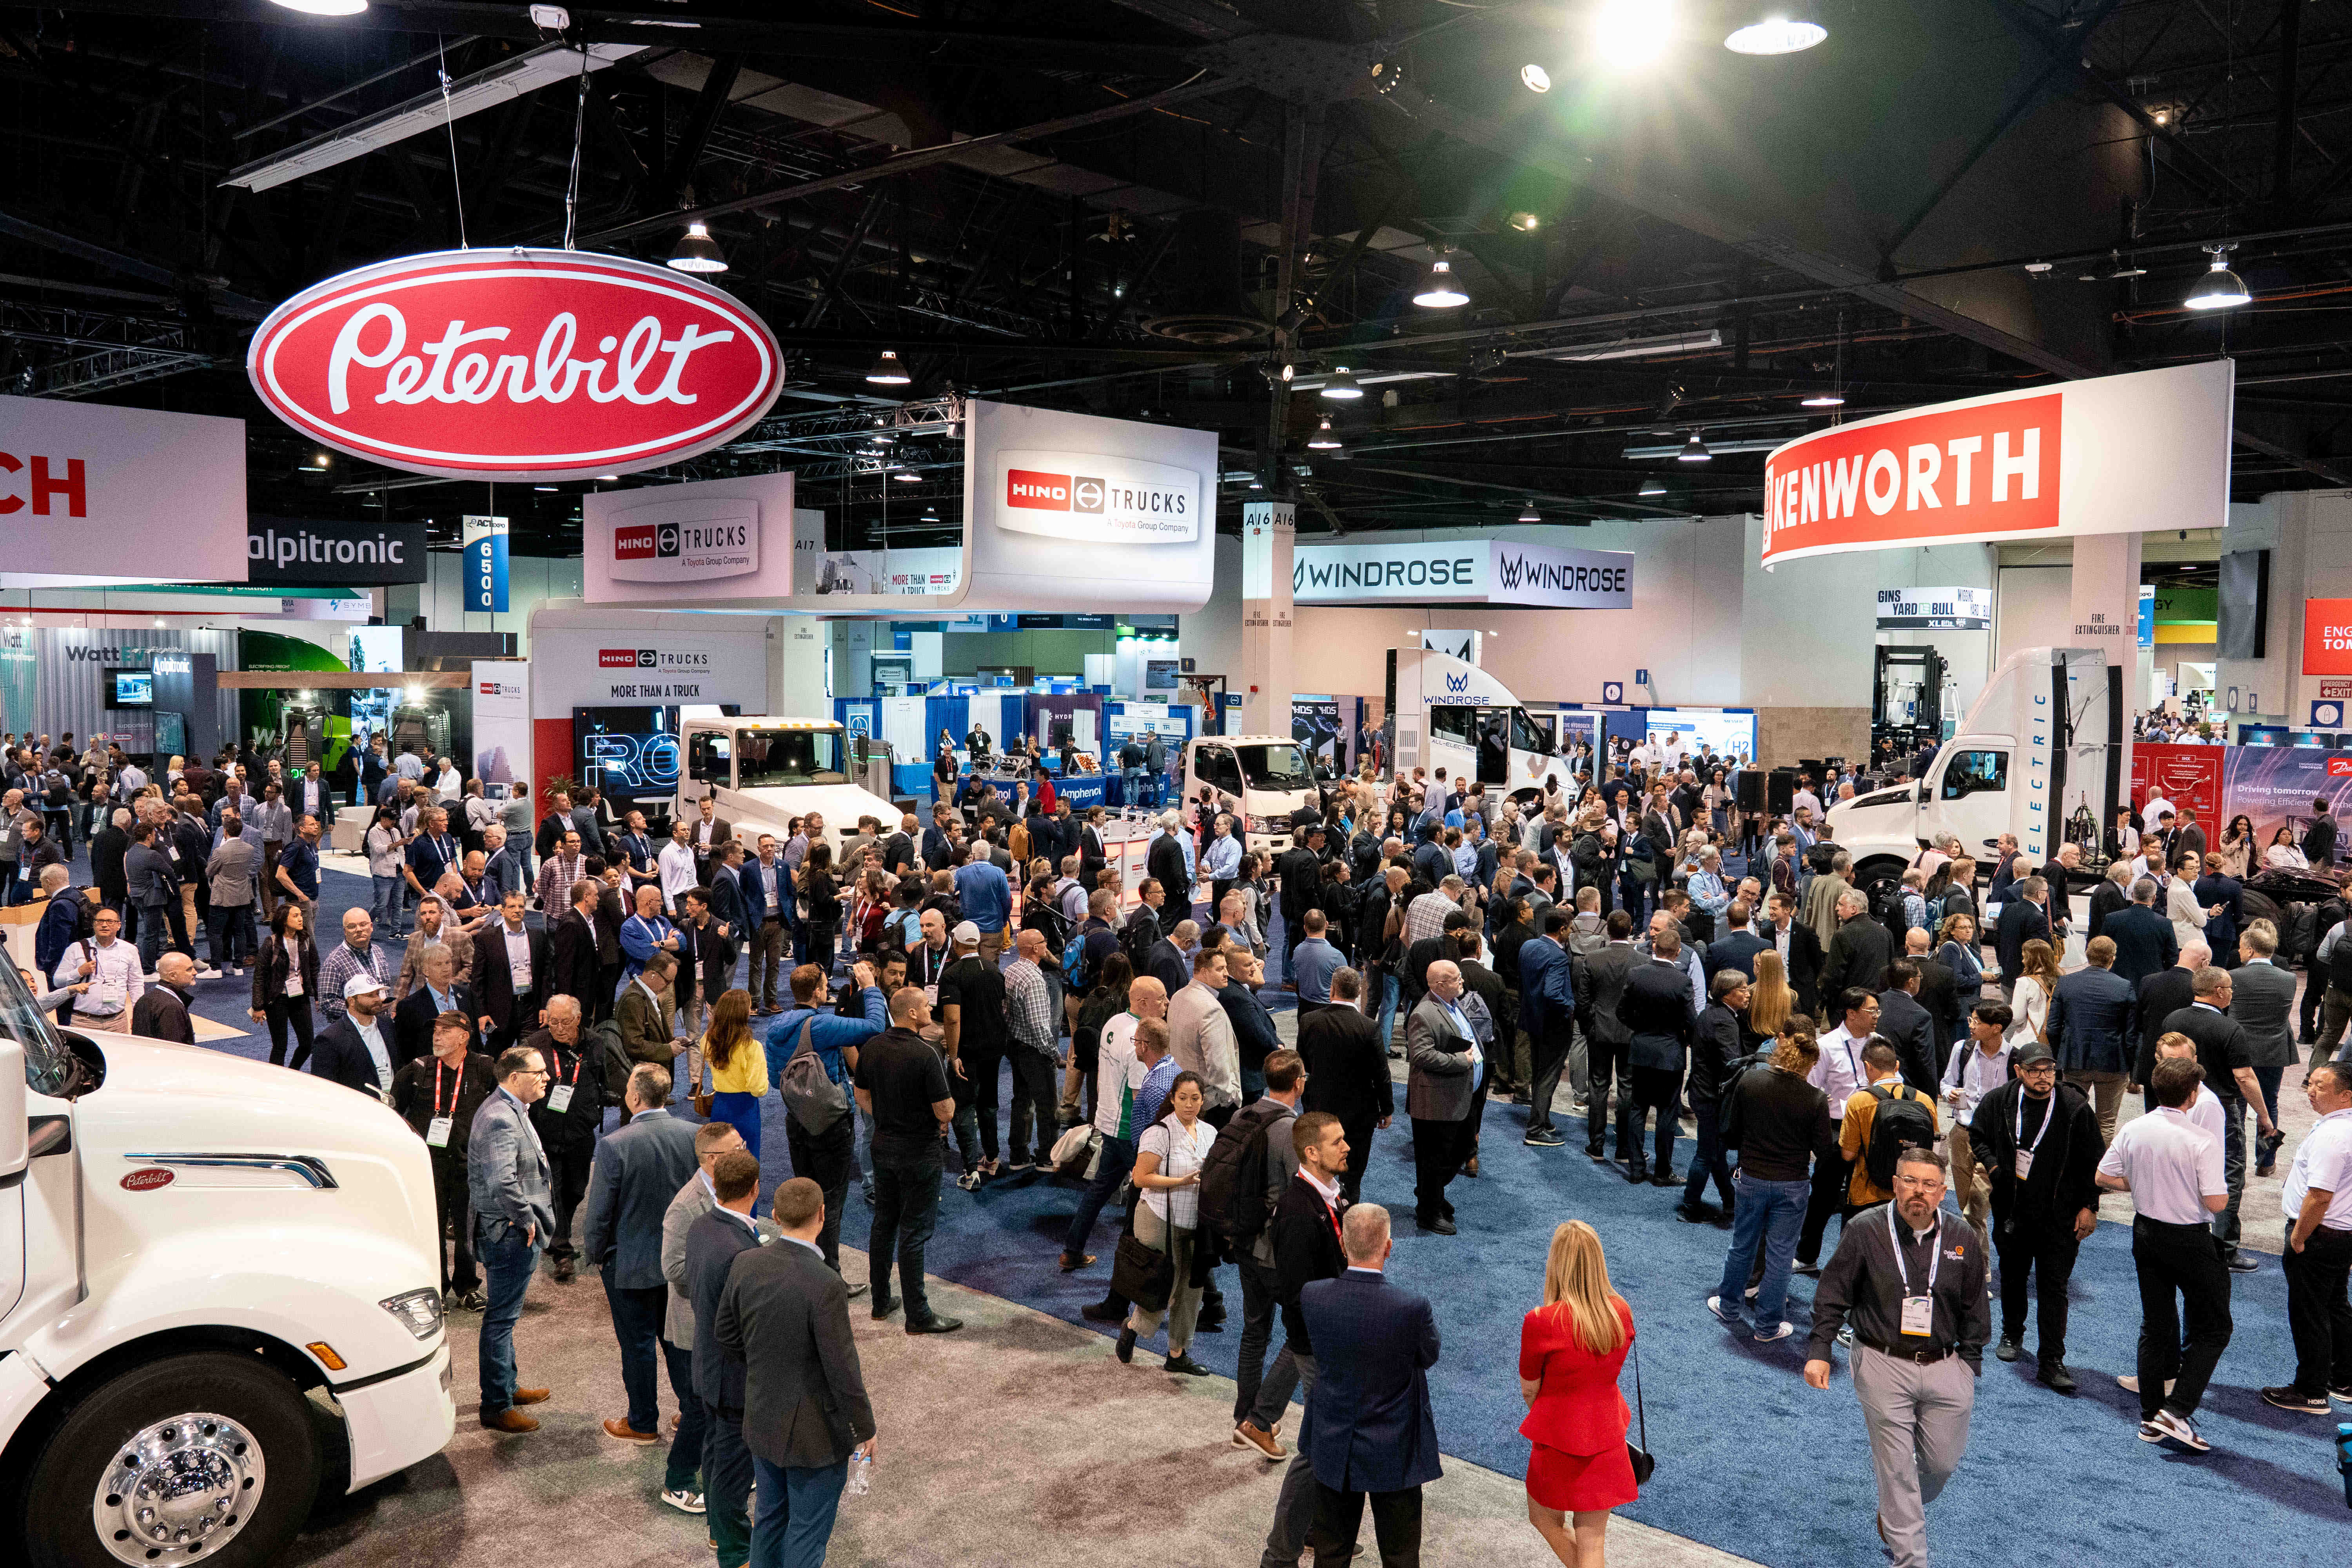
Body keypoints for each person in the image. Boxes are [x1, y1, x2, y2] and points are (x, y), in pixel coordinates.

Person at [1804, 1147, 1989, 1568]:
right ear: (1895, 1183)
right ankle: (1911, 1559)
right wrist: (1820, 1351)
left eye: (1928, 1184)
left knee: (1941, 1463)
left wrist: (1969, 1365)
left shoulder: (1962, 1237)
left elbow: (1976, 1306)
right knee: (1897, 1467)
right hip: (1880, 1358)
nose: (1917, 1192)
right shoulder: (1864, 1229)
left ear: (1942, 1191)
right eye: (1909, 1181)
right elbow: (1832, 1293)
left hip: (1946, 1364)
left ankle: (1895, 1508)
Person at [715, 1174, 877, 1568]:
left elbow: (725, 1333)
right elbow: (842, 1369)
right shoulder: (825, 1283)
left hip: (762, 1417)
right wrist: (865, 1429)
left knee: (769, 1520)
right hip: (815, 1436)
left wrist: (766, 1365)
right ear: (822, 1215)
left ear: (774, 1215)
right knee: (807, 1532)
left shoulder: (746, 1263)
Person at [2097, 1056, 2233, 1452]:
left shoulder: (2135, 1127)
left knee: (2156, 1325)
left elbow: (2103, 1175)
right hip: (2190, 1239)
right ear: (2193, 1095)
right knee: (2215, 1327)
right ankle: (2176, 1411)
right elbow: (2218, 1201)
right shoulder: (2201, 1140)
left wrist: (2143, 1185)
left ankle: (2151, 1419)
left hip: (2146, 1233)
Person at [1299, 1203, 1442, 1568]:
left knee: (1330, 1554)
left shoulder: (1313, 1296)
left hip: (1333, 1441)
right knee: (1400, 1556)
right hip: (1395, 1447)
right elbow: (1428, 1356)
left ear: (1343, 1246)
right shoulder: (1412, 1306)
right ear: (1389, 1247)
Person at [1971, 1040, 2103, 1393]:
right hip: (2013, 1212)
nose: (2044, 1077)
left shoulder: (2075, 1107)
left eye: (2049, 1071)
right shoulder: (1999, 1101)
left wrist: (2090, 1206)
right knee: (2012, 1278)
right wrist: (1996, 1166)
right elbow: (1977, 1135)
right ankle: (2012, 1334)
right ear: (2019, 1071)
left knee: (2054, 1287)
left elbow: (2094, 1160)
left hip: (2060, 1216)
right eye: (2035, 1071)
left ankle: (2052, 1359)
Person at [582, 1063, 702, 1449]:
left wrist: (596, 1255)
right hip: (681, 1263)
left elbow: (598, 1213)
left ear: (635, 1097)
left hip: (629, 1265)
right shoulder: (694, 1135)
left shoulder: (615, 1144)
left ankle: (643, 1424)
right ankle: (694, 1413)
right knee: (681, 1342)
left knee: (637, 1347)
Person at [1254, 1111, 1353, 1565]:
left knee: (1326, 1446)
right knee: (1315, 1452)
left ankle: (1316, 1530)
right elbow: (1295, 1295)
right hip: (1318, 1348)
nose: (1347, 1146)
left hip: (1328, 1343)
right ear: (1312, 1153)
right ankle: (1281, 1554)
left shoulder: (1331, 1197)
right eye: (1337, 1142)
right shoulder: (1298, 1212)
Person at [1519, 1221, 1638, 1568]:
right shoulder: (1620, 1312)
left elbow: (1530, 1387)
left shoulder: (1541, 1320)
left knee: (1543, 1519)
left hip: (1556, 1436)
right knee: (1592, 1543)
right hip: (1607, 1432)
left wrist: (1545, 1414)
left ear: (1556, 1263)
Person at [853, 985, 962, 1334]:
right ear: (912, 1014)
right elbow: (945, 1112)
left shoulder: (871, 1048)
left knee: (884, 1222)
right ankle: (919, 1315)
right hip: (919, 1152)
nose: (931, 1009)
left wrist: (887, 1117)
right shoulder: (926, 1054)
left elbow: (861, 1094)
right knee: (914, 1232)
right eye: (926, 1006)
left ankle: (881, 1302)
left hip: (883, 1148)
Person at [766, 960, 886, 1277]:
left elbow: (772, 1077)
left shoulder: (775, 1027)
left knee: (806, 1197)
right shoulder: (822, 1024)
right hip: (830, 1124)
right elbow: (876, 1026)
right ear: (819, 991)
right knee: (830, 1204)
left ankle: (805, 1269)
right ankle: (830, 1275)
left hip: (796, 1120)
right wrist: (871, 986)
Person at [2163, 965, 2277, 1272]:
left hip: (2177, 1105)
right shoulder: (2230, 1029)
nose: (2232, 993)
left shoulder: (2174, 1020)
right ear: (2219, 992)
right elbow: (2244, 1077)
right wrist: (2264, 1117)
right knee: (2228, 1175)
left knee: (2179, 1168)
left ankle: (2181, 1239)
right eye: (2230, 988)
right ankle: (2225, 1251)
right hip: (2223, 1109)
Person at [682, 1147, 765, 1568]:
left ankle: (718, 1535)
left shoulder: (700, 1227)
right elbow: (743, 1328)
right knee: (732, 1474)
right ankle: (736, 1555)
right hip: (733, 1379)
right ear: (755, 1188)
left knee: (715, 1459)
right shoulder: (741, 1251)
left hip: (707, 1368)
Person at [468, 1042, 556, 1432]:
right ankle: (497, 1406)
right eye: (540, 1073)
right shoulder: (500, 1118)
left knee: (506, 1314)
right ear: (515, 1077)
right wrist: (526, 1218)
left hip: (508, 1229)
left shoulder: (508, 1108)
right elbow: (502, 1181)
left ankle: (508, 1386)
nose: (547, 1078)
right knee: (501, 1320)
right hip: (508, 1232)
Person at [390, 1009, 497, 1310]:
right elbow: (392, 1114)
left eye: (445, 1030)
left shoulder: (485, 1068)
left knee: (467, 1228)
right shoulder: (417, 1070)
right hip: (429, 1167)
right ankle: (436, 1287)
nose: (437, 1035)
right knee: (431, 1227)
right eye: (436, 1030)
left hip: (468, 1163)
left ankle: (467, 1286)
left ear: (464, 1036)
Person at [2262, 1059, 2352, 1414]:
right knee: (2334, 1305)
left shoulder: (2333, 1136)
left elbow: (2319, 1195)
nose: (2311, 1091)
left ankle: (2311, 1391)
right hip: (2341, 1233)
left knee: (2309, 1313)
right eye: (2310, 1083)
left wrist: (2299, 1238)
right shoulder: (2341, 1127)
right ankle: (2345, 1379)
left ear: (2346, 1095)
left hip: (2319, 1235)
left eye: (2321, 1087)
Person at [1118, 1069, 1217, 1375]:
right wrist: (1181, 1181)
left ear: (1203, 1100)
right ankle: (1133, 1327)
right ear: (1173, 1098)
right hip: (1158, 1219)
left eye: (1195, 1098)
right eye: (1183, 1098)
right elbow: (1140, 1177)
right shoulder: (1159, 1132)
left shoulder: (1211, 1133)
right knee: (1162, 1288)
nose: (1189, 1104)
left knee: (1191, 1291)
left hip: (1195, 1224)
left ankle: (1178, 1355)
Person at [523, 995, 604, 1282]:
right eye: (553, 1021)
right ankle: (563, 1253)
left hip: (581, 1132)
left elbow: (603, 1080)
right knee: (553, 1190)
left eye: (565, 1022)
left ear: (578, 1020)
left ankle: (557, 1230)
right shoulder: (534, 1046)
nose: (558, 1028)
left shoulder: (595, 1043)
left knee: (576, 1190)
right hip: (545, 1131)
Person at [1299, 967, 1392, 1203]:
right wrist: (1387, 1109)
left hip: (1320, 1108)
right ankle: (1349, 1221)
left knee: (1319, 1167)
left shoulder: (1309, 1021)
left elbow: (1304, 1065)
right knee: (1354, 1173)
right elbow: (1382, 1073)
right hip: (1360, 1114)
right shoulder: (1369, 1027)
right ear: (1360, 992)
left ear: (1332, 990)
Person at [1616, 927, 1694, 1186]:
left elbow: (1622, 1012)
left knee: (1638, 1109)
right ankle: (1662, 1173)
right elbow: (1691, 1021)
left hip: (1641, 1051)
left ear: (1654, 947)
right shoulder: (1682, 981)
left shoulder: (1637, 975)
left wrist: (1640, 1029)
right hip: (1670, 1056)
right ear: (1678, 953)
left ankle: (1637, 1170)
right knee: (1667, 1114)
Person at [2230, 921, 2299, 1176]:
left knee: (2236, 1106)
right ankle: (2266, 1161)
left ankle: (2235, 1163)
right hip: (2274, 1050)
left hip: (2240, 1051)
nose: (2239, 952)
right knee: (2270, 1104)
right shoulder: (2289, 979)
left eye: (2241, 948)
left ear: (2250, 951)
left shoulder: (2235, 977)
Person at [1938, 1002, 2014, 1234]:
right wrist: (1948, 1092)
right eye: (1971, 1020)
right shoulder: (1962, 1049)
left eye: (1976, 1022)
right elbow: (1947, 1081)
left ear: (1996, 1028)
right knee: (1965, 1206)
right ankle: (1973, 1263)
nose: (1970, 1025)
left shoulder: (2015, 1058)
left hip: (1994, 1141)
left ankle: (1981, 1269)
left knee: (1976, 1210)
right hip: (1961, 1134)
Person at [474, 889, 550, 1054]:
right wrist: (482, 1013)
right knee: (497, 1057)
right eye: (512, 907)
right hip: (500, 1009)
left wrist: (545, 1006)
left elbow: (546, 974)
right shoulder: (487, 939)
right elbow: (478, 980)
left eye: (521, 907)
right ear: (502, 910)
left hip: (532, 1008)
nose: (518, 910)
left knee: (530, 1056)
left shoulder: (538, 936)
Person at [701, 987, 770, 1165]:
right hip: (745, 1110)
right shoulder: (753, 1047)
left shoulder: (708, 1040)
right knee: (747, 1161)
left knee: (721, 1161)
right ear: (742, 1014)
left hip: (720, 1107)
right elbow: (759, 1089)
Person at [312, 972, 398, 1098]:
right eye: (369, 995)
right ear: (352, 1001)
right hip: (358, 1108)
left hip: (394, 1102)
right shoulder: (330, 1039)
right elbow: (324, 1087)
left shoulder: (387, 1025)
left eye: (377, 994)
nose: (377, 999)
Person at [129, 951, 196, 1042]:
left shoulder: (145, 999)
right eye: (189, 969)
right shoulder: (171, 1007)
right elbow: (174, 1048)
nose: (195, 972)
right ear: (173, 976)